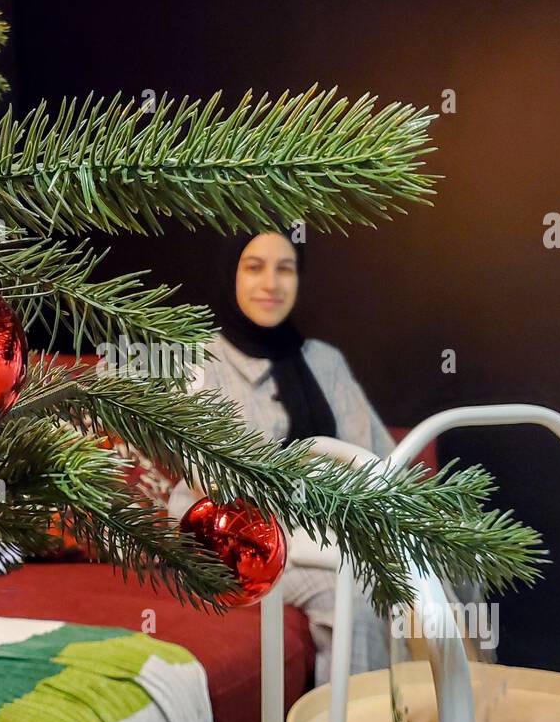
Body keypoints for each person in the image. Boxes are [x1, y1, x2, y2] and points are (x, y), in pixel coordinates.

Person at [168, 230, 396, 684]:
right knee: (353, 593)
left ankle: (452, 712)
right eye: (254, 267)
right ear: (231, 274)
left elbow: (376, 458)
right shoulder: (199, 359)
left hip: (329, 531)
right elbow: (208, 474)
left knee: (442, 569)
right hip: (242, 543)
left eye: (284, 268)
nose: (270, 282)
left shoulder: (324, 361)